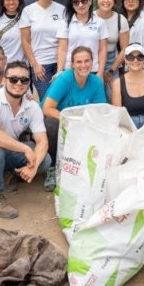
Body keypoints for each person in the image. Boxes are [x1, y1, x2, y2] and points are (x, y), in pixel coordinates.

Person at [0, 61, 51, 219]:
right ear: (4, 81)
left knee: (45, 160)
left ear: (29, 83)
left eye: (24, 80)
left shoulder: (32, 107)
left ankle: (3, 172)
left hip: (9, 150)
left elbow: (42, 141)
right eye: (13, 79)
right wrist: (27, 149)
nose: (19, 83)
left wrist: (33, 167)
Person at [41, 47, 107, 189]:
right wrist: (70, 122)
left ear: (92, 61)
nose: (83, 65)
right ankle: (52, 169)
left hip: (81, 123)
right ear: (72, 64)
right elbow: (46, 108)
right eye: (79, 62)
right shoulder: (64, 79)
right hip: (58, 120)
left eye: (87, 61)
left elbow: (100, 112)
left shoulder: (96, 82)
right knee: (50, 125)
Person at [21, 0, 66, 99]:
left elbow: (63, 41)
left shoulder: (62, 10)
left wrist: (60, 70)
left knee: (61, 99)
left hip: (60, 62)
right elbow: (25, 41)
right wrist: (34, 64)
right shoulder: (28, 11)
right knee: (47, 101)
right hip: (40, 64)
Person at [56, 0, 108, 79]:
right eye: (76, 2)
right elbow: (62, 49)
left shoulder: (100, 23)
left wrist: (100, 72)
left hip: (93, 70)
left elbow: (102, 49)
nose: (80, 5)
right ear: (72, 4)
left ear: (90, 1)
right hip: (70, 70)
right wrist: (59, 71)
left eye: (84, 1)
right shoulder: (65, 23)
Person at [111, 44, 144, 128]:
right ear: (125, 59)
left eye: (140, 56)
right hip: (129, 124)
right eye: (130, 57)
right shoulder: (117, 83)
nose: (135, 60)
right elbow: (118, 115)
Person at [93, 0, 129, 94]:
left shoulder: (120, 19)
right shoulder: (89, 17)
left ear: (114, 1)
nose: (106, 0)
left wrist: (111, 71)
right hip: (91, 60)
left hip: (112, 61)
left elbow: (124, 49)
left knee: (112, 96)